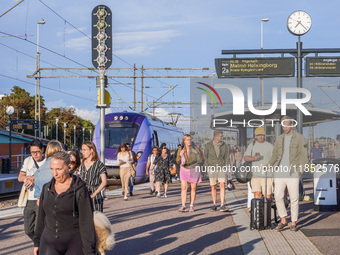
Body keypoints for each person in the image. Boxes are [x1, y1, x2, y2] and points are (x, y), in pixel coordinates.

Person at [33, 151, 96, 255]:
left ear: (69, 166)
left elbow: (86, 221)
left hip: (73, 240)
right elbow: (41, 216)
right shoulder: (46, 188)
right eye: (52, 169)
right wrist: (37, 242)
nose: (55, 173)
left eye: (59, 169)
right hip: (49, 240)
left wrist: (89, 250)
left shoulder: (79, 189)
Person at [268, 116, 308, 232]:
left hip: (293, 171)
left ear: (291, 125)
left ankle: (293, 222)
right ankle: (283, 219)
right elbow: (275, 154)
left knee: (294, 198)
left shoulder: (299, 138)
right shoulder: (279, 138)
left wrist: (300, 170)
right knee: (278, 196)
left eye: (286, 124)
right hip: (280, 171)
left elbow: (303, 155)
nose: (284, 127)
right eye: (283, 125)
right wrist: (269, 164)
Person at [18, 140, 46, 242]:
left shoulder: (47, 162)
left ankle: (40, 247)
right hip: (29, 199)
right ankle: (39, 244)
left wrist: (35, 179)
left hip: (41, 198)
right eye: (32, 152)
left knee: (38, 228)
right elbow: (20, 177)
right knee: (28, 229)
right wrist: (28, 178)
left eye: (37, 152)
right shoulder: (28, 161)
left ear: (42, 150)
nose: (35, 154)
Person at [204, 130, 230, 212]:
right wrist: (207, 167)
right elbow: (205, 157)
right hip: (212, 168)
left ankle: (222, 204)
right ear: (216, 136)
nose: (222, 138)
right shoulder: (208, 145)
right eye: (221, 136)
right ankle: (214, 204)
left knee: (222, 184)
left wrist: (228, 168)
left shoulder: (224, 146)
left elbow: (226, 157)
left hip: (221, 167)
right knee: (213, 186)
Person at [244, 127, 274, 199]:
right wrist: (254, 158)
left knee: (267, 196)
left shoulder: (270, 146)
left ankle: (267, 210)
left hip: (268, 175)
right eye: (258, 135)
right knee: (257, 195)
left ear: (264, 135)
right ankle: (257, 210)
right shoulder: (252, 145)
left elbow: (275, 159)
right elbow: (245, 158)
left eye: (262, 135)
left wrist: (270, 165)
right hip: (255, 175)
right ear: (255, 136)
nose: (260, 137)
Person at [176, 134, 203, 212]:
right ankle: (183, 205)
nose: (189, 141)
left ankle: (191, 206)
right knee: (183, 188)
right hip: (184, 169)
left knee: (193, 188)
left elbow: (200, 160)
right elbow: (177, 161)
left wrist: (196, 153)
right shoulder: (180, 149)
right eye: (187, 139)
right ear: (184, 141)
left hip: (194, 168)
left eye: (190, 139)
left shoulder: (195, 149)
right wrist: (181, 155)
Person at [79, 141, 107, 211]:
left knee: (97, 218)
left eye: (84, 150)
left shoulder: (99, 164)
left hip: (95, 194)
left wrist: (94, 194)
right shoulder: (82, 164)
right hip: (83, 194)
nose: (82, 152)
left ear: (91, 150)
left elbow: (104, 182)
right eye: (82, 150)